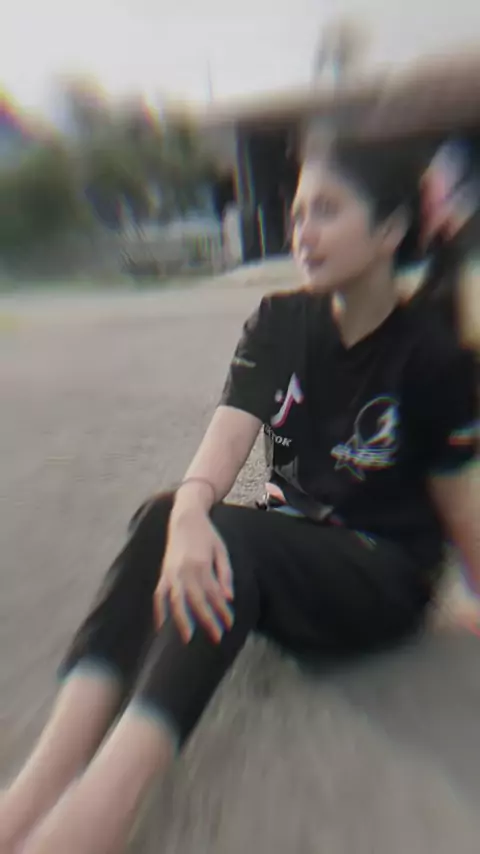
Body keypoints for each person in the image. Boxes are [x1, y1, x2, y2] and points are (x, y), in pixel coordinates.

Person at [1, 138, 478, 854]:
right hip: (289, 549)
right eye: (297, 213)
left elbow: (460, 501)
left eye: (326, 211)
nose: (302, 232)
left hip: (381, 575)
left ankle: (97, 814)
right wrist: (190, 513)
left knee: (230, 538)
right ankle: (39, 784)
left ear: (389, 230)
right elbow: (227, 441)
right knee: (166, 517)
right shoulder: (280, 322)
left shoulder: (431, 354)